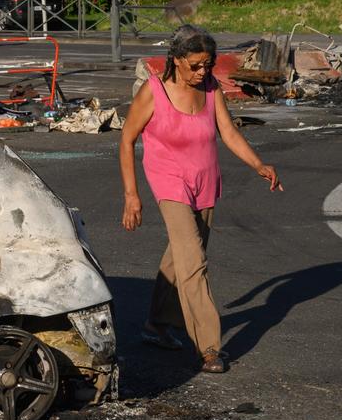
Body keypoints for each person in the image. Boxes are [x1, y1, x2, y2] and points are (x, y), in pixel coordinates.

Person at [119, 25, 282, 374]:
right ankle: (209, 347)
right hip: (169, 183)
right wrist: (132, 195)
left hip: (205, 182)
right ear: (176, 60)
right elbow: (127, 139)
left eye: (207, 64)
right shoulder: (154, 92)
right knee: (194, 263)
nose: (202, 71)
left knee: (180, 258)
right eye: (195, 65)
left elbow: (228, 132)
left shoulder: (211, 89)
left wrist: (258, 164)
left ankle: (157, 325)